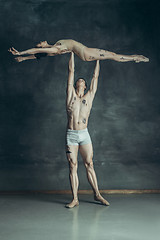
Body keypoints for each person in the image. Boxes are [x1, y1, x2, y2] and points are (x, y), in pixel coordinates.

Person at [65, 52, 109, 208]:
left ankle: (97, 194)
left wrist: (98, 59)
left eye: (83, 80)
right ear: (77, 84)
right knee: (73, 165)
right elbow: (71, 71)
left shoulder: (89, 96)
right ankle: (75, 199)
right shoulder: (70, 95)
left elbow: (95, 77)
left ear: (85, 85)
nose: (81, 81)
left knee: (89, 163)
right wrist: (71, 52)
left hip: (84, 134)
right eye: (79, 80)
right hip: (71, 135)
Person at [8, 39, 149, 63]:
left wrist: (24, 58)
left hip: (85, 53)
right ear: (41, 47)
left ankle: (134, 57)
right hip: (85, 53)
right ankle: (134, 58)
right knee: (112, 55)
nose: (41, 41)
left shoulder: (52, 49)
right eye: (39, 43)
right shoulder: (54, 49)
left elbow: (36, 56)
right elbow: (35, 51)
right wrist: (20, 53)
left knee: (111, 55)